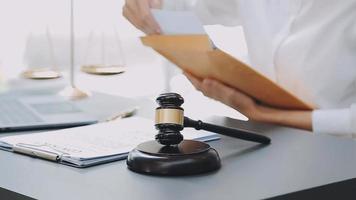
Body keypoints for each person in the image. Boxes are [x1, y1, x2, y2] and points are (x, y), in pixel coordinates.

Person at [123, 0, 356, 137]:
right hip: (273, 141)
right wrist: (150, 6)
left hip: (341, 155)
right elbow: (184, 5)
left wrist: (263, 114)